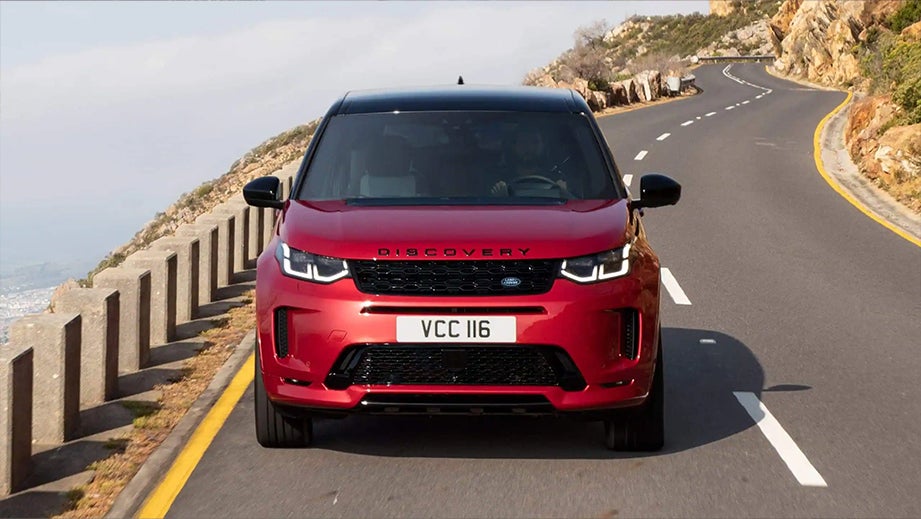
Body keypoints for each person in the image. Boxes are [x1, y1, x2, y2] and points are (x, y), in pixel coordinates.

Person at [490, 127, 570, 196]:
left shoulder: (555, 179)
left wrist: (563, 193)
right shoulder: (499, 179)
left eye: (535, 142)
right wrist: (498, 196)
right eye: (523, 142)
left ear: (543, 146)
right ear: (514, 146)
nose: (530, 148)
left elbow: (574, 204)